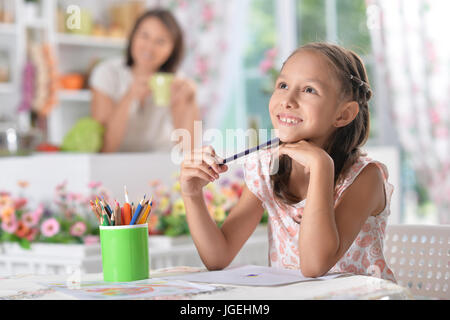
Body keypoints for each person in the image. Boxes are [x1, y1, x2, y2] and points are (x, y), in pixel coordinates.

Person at [179, 42, 396, 282]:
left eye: (309, 90)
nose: (287, 100)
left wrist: (321, 166)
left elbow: (315, 265)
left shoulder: (365, 177)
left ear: (343, 114)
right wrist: (192, 194)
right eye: (283, 85)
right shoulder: (266, 168)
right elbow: (217, 257)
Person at [90, 9, 200, 153]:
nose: (149, 47)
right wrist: (129, 96)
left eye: (161, 41)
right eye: (144, 36)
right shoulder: (106, 74)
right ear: (133, 36)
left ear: (173, 49)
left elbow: (187, 149)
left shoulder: (177, 81)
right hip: (116, 163)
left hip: (160, 160)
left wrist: (190, 101)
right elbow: (105, 147)